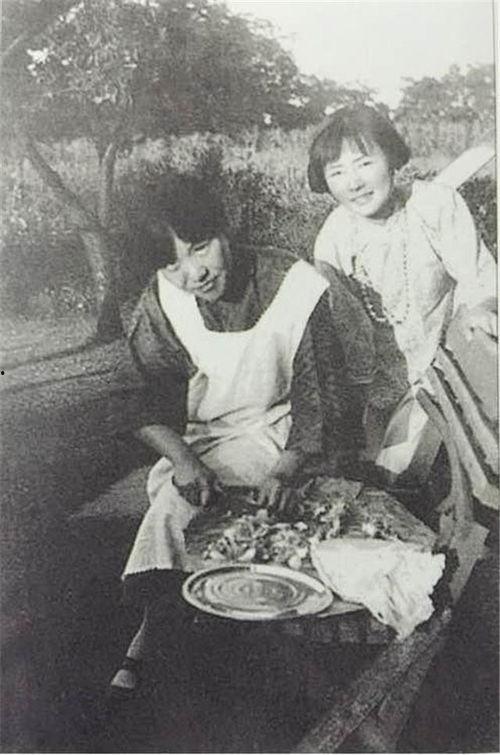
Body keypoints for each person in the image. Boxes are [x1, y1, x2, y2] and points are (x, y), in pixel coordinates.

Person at [110, 176, 367, 695]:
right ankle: (163, 623)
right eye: (173, 264)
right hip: (204, 439)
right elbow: (142, 396)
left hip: (284, 435)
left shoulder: (295, 286)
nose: (194, 272)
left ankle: (156, 636)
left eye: (201, 247)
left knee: (188, 514)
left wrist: (288, 468)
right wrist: (184, 460)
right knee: (180, 501)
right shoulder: (164, 298)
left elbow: (322, 396)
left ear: (226, 228)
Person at [308, 104, 497, 486]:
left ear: (391, 158)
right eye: (337, 172)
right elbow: (345, 341)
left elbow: (479, 279)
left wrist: (481, 308)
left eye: (364, 164)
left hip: (453, 357)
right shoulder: (334, 242)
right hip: (385, 383)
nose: (354, 183)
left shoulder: (433, 205)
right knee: (391, 477)